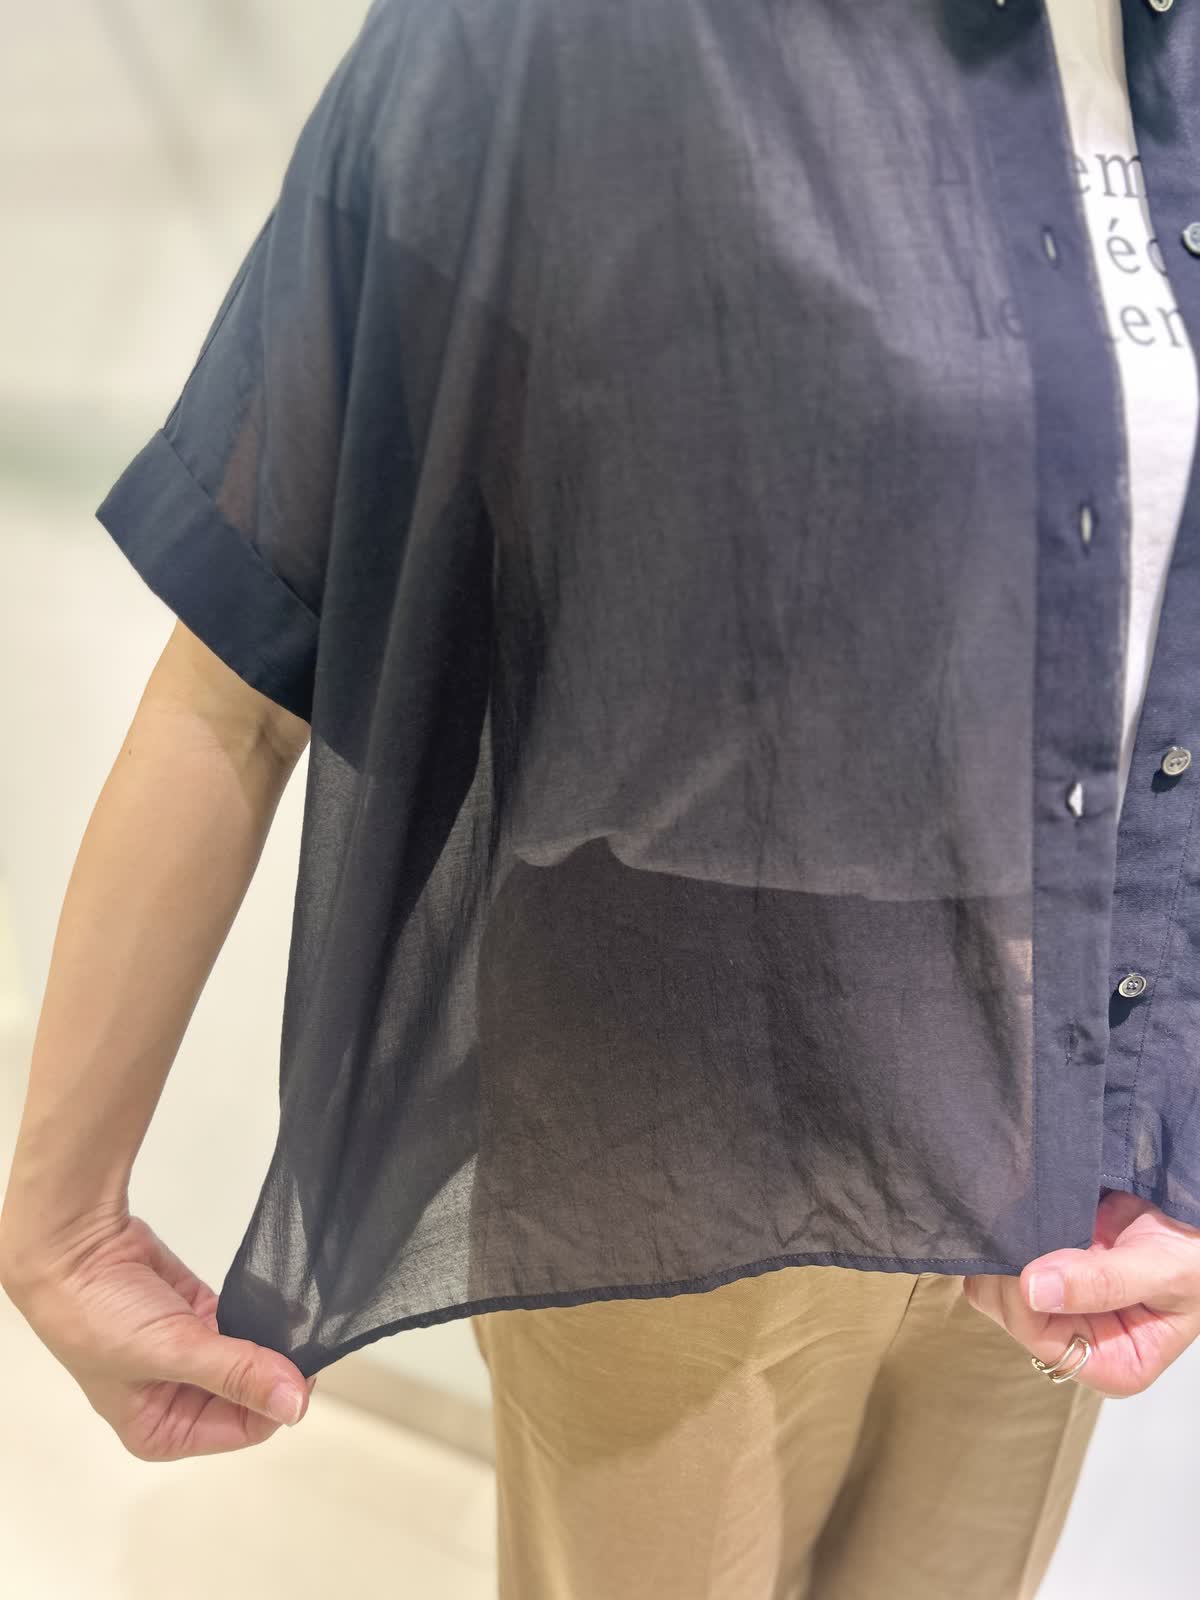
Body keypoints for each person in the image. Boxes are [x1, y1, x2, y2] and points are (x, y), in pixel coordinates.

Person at [4, 0, 1200, 1593]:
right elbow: (254, 645)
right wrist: (64, 1216)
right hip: (682, 1141)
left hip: (1076, 1166)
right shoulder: (565, 36)